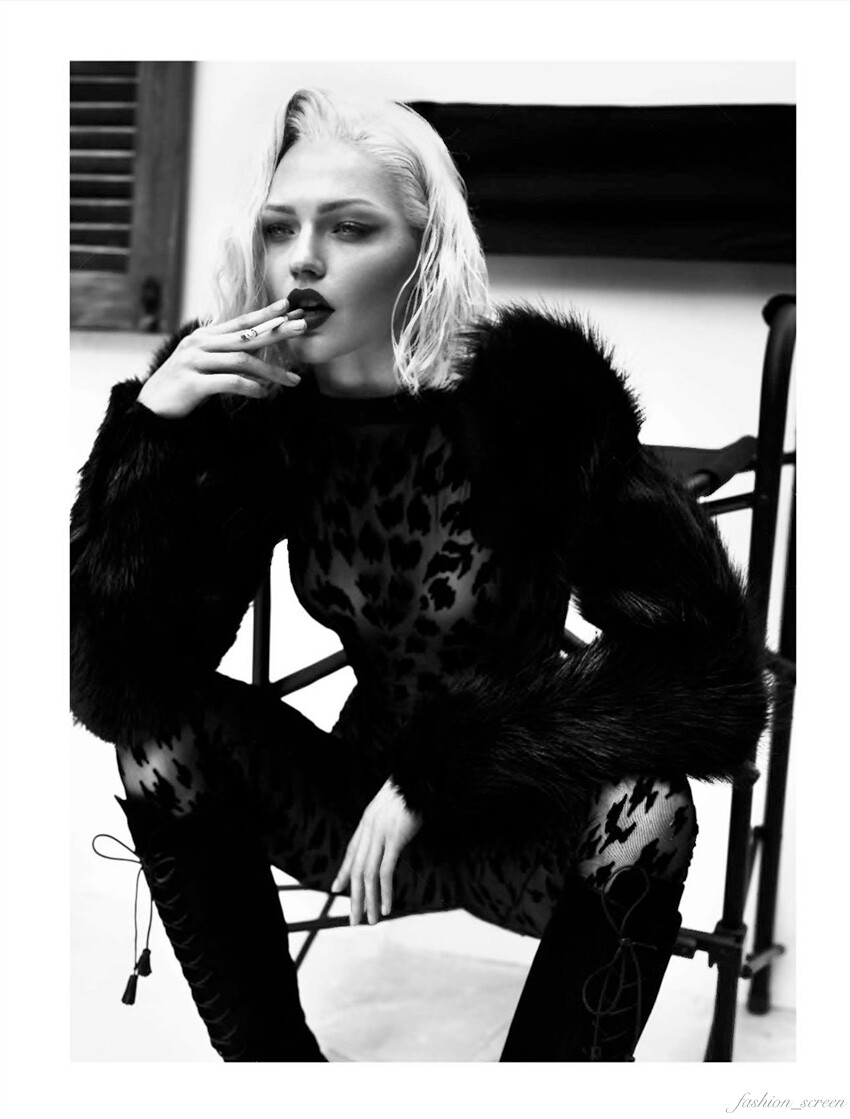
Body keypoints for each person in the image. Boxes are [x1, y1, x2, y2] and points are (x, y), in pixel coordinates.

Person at [70, 87, 769, 1062]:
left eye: (350, 227)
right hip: (354, 809)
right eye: (280, 227)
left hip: (516, 808)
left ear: (426, 250)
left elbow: (708, 673)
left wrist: (439, 772)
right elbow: (123, 683)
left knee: (649, 806)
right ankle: (274, 1073)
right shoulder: (262, 419)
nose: (303, 257)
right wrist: (150, 434)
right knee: (156, 737)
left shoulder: (534, 406)